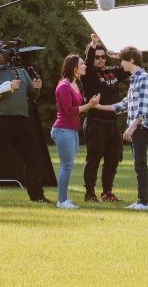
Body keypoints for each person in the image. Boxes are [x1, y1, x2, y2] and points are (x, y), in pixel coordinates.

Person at [0, 40, 51, 203]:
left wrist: (36, 88)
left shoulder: (20, 70)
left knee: (32, 157)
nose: (6, 54)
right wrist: (9, 86)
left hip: (22, 120)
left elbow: (32, 96)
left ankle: (36, 196)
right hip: (0, 120)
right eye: (2, 51)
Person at [80, 33, 131, 203]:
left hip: (112, 121)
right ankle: (89, 193)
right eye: (97, 57)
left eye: (103, 57)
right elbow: (87, 63)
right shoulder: (87, 75)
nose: (101, 60)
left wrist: (119, 56)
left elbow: (132, 65)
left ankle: (107, 193)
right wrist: (93, 43)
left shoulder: (113, 72)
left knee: (112, 159)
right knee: (93, 159)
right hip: (95, 121)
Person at [107, 46, 148, 210]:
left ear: (131, 61)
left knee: (140, 165)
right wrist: (98, 106)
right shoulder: (135, 79)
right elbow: (124, 104)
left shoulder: (144, 79)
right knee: (138, 164)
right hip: (136, 128)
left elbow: (143, 110)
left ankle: (144, 202)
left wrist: (131, 128)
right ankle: (140, 200)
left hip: (140, 128)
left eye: (122, 60)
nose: (121, 64)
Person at [51, 54, 100, 209]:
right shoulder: (64, 86)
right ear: (73, 67)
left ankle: (63, 199)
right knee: (66, 165)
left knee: (68, 165)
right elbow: (69, 111)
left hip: (71, 131)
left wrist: (90, 103)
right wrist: (90, 105)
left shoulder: (75, 84)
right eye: (82, 64)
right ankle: (61, 201)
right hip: (63, 130)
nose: (85, 66)